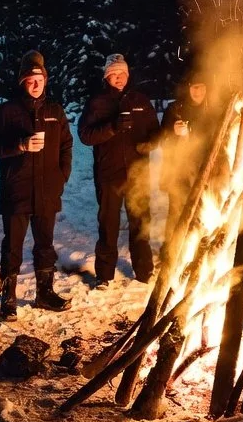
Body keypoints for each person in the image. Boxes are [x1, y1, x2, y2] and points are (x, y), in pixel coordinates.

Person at [0, 51, 73, 320]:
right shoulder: (6, 111)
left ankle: (44, 292)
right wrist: (19, 145)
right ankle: (8, 297)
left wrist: (61, 176)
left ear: (45, 81)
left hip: (47, 191)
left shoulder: (55, 111)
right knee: (13, 246)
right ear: (22, 82)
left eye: (40, 80)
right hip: (17, 191)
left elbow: (66, 145)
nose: (36, 84)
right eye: (31, 80)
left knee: (45, 244)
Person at [78, 53, 160, 287]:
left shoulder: (140, 100)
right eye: (114, 74)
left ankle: (144, 271)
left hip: (138, 173)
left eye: (122, 73)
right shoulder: (97, 102)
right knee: (108, 225)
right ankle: (104, 275)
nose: (119, 78)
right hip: (109, 174)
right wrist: (112, 127)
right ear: (107, 77)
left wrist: (151, 143)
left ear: (128, 75)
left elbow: (156, 131)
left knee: (140, 222)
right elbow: (85, 135)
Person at [159, 72, 214, 244]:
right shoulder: (176, 109)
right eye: (194, 87)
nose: (197, 91)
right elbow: (161, 138)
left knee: (202, 211)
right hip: (179, 170)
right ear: (188, 88)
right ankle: (170, 249)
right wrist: (173, 132)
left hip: (205, 168)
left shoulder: (213, 110)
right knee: (176, 211)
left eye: (201, 87)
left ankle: (196, 250)